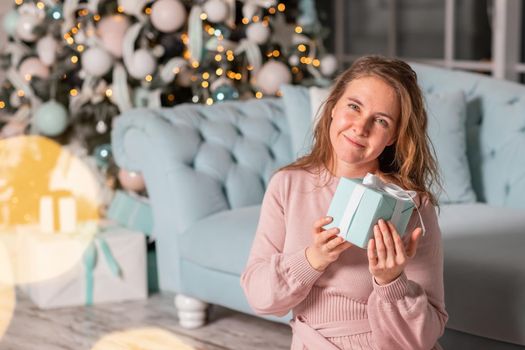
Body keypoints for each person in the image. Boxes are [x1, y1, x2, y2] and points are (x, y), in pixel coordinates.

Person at [240, 55, 449, 350]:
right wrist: (313, 258)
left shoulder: (411, 205)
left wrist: (392, 281)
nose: (361, 127)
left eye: (380, 120)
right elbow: (259, 296)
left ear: (392, 137)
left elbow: (424, 338)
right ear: (332, 107)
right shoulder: (287, 185)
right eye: (354, 106)